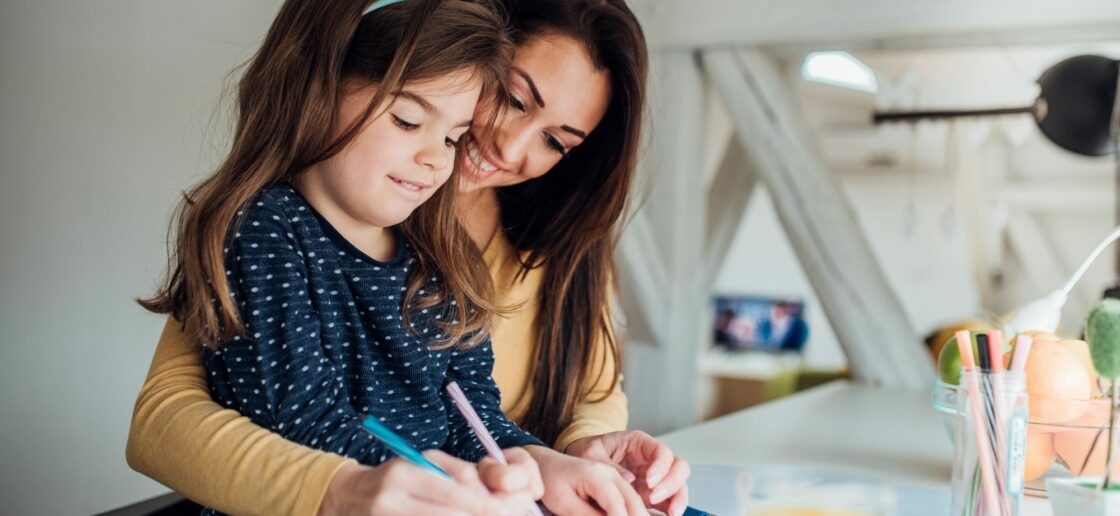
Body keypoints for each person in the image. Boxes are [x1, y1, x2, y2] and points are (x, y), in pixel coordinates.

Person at [128, 0, 691, 514]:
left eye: (556, 142)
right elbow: (209, 419)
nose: (510, 148)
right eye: (514, 99)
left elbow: (490, 407)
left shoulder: (450, 249)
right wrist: (385, 484)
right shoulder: (271, 227)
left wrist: (553, 459)